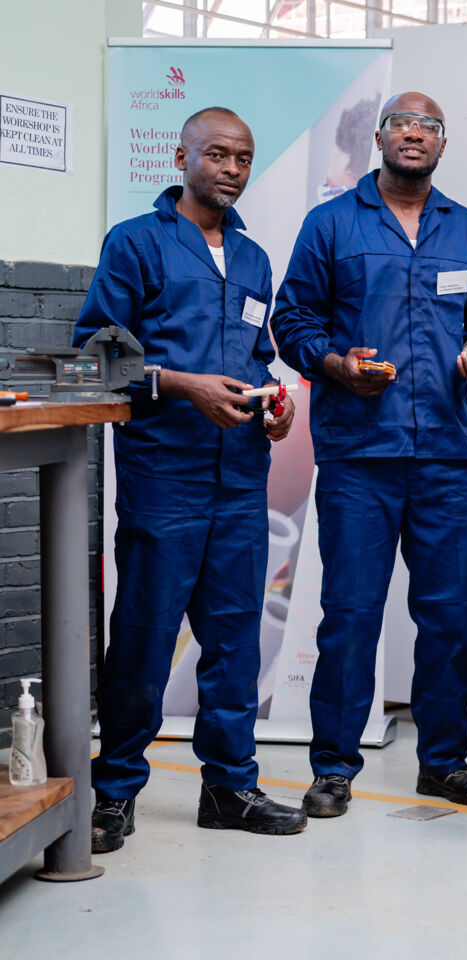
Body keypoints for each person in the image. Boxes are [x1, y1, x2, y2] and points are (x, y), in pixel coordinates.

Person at [271, 91, 467, 817]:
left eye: (429, 126)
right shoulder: (332, 224)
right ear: (379, 138)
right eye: (401, 123)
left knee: (447, 616)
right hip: (358, 456)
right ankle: (334, 767)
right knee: (350, 612)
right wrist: (335, 363)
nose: (414, 134)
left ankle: (443, 762)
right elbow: (293, 322)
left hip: (445, 456)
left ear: (443, 143)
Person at [75, 106, 305, 851]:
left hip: (241, 476)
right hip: (164, 474)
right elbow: (98, 356)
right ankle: (114, 794)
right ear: (182, 157)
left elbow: (256, 359)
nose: (231, 169)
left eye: (242, 157)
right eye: (216, 155)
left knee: (236, 638)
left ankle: (231, 787)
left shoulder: (255, 259)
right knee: (144, 636)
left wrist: (273, 405)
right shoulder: (136, 243)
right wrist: (183, 385)